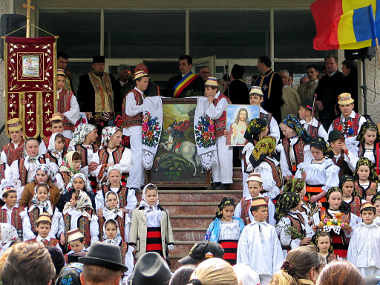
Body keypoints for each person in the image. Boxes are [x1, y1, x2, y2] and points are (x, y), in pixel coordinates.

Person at [237, 197, 284, 285]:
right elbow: (243, 251)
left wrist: (276, 271)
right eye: (263, 211)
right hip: (251, 272)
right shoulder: (247, 230)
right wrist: (246, 271)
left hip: (268, 271)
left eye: (266, 211)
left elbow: (276, 251)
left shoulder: (271, 229)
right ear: (254, 213)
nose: (266, 213)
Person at [129, 183, 174, 260]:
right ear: (144, 197)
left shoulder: (162, 212)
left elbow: (168, 228)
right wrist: (132, 243)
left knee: (158, 261)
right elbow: (134, 228)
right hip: (145, 244)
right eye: (149, 196)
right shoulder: (137, 212)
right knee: (146, 262)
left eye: (154, 196)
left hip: (158, 242)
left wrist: (170, 242)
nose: (152, 198)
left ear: (157, 196)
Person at [313, 187, 361, 259]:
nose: (336, 201)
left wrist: (348, 229)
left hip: (344, 251)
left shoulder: (349, 216)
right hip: (324, 252)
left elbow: (354, 234)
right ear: (328, 199)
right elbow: (314, 232)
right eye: (333, 199)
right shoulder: (319, 214)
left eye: (339, 199)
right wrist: (317, 228)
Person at [122, 70, 149, 192]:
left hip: (140, 127)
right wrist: (146, 107)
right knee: (137, 154)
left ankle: (140, 181)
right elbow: (129, 111)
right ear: (137, 82)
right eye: (144, 81)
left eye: (147, 81)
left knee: (141, 154)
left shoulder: (141, 95)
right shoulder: (131, 95)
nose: (146, 84)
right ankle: (133, 183)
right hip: (135, 127)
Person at [205, 76, 233, 190]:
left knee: (224, 157)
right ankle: (216, 180)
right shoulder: (210, 100)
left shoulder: (223, 100)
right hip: (215, 133)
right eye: (206, 88)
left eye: (208, 89)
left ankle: (226, 182)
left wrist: (210, 103)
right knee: (215, 158)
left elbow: (215, 115)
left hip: (225, 134)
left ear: (215, 89)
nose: (206, 91)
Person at [295, 137, 340, 203]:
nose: (314, 155)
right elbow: (299, 181)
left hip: (322, 197)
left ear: (323, 151)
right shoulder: (306, 165)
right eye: (312, 152)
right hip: (306, 196)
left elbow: (331, 186)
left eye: (317, 152)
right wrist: (303, 180)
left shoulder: (328, 165)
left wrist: (317, 197)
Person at [205, 197, 245, 265]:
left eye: (231, 211)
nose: (229, 214)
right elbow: (207, 238)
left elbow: (244, 237)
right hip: (222, 253)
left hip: (236, 253)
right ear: (221, 210)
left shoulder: (239, 222)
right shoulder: (215, 224)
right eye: (226, 211)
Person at [347, 202, 380, 277]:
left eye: (370, 213)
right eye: (364, 214)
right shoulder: (357, 231)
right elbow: (352, 250)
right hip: (360, 266)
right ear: (361, 216)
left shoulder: (378, 230)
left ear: (374, 215)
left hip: (377, 265)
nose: (367, 216)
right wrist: (352, 267)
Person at [315, 55, 346, 129]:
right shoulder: (323, 79)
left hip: (337, 113)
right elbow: (317, 93)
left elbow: (344, 95)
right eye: (327, 63)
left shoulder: (342, 78)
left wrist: (338, 106)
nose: (329, 66)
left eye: (331, 63)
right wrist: (318, 100)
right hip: (324, 113)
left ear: (336, 64)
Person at [255, 55, 283, 123]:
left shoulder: (275, 77)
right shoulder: (259, 78)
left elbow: (277, 97)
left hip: (272, 113)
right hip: (259, 111)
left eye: (258, 63)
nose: (257, 65)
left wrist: (269, 110)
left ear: (263, 64)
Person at [56, 69, 81, 139]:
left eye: (63, 81)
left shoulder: (69, 94)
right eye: (58, 81)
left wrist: (63, 115)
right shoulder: (47, 94)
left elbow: (76, 110)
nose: (61, 83)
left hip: (66, 129)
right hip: (50, 128)